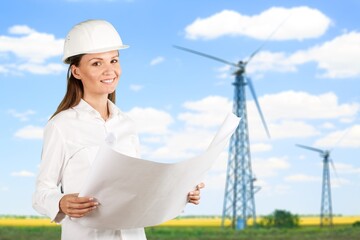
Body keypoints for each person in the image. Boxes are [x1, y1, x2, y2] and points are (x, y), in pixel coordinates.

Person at [32, 19, 205, 240]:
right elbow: (41, 192)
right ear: (76, 72)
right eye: (97, 63)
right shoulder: (61, 126)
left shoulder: (128, 125)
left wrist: (181, 192)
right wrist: (60, 202)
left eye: (114, 60)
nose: (110, 70)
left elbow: (139, 191)